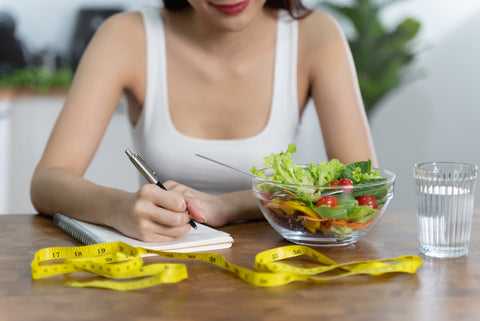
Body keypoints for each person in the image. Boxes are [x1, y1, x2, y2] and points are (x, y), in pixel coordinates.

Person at [30, 0, 377, 243]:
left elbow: (362, 187)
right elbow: (47, 181)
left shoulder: (315, 35)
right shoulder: (125, 36)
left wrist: (228, 205)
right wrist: (118, 208)